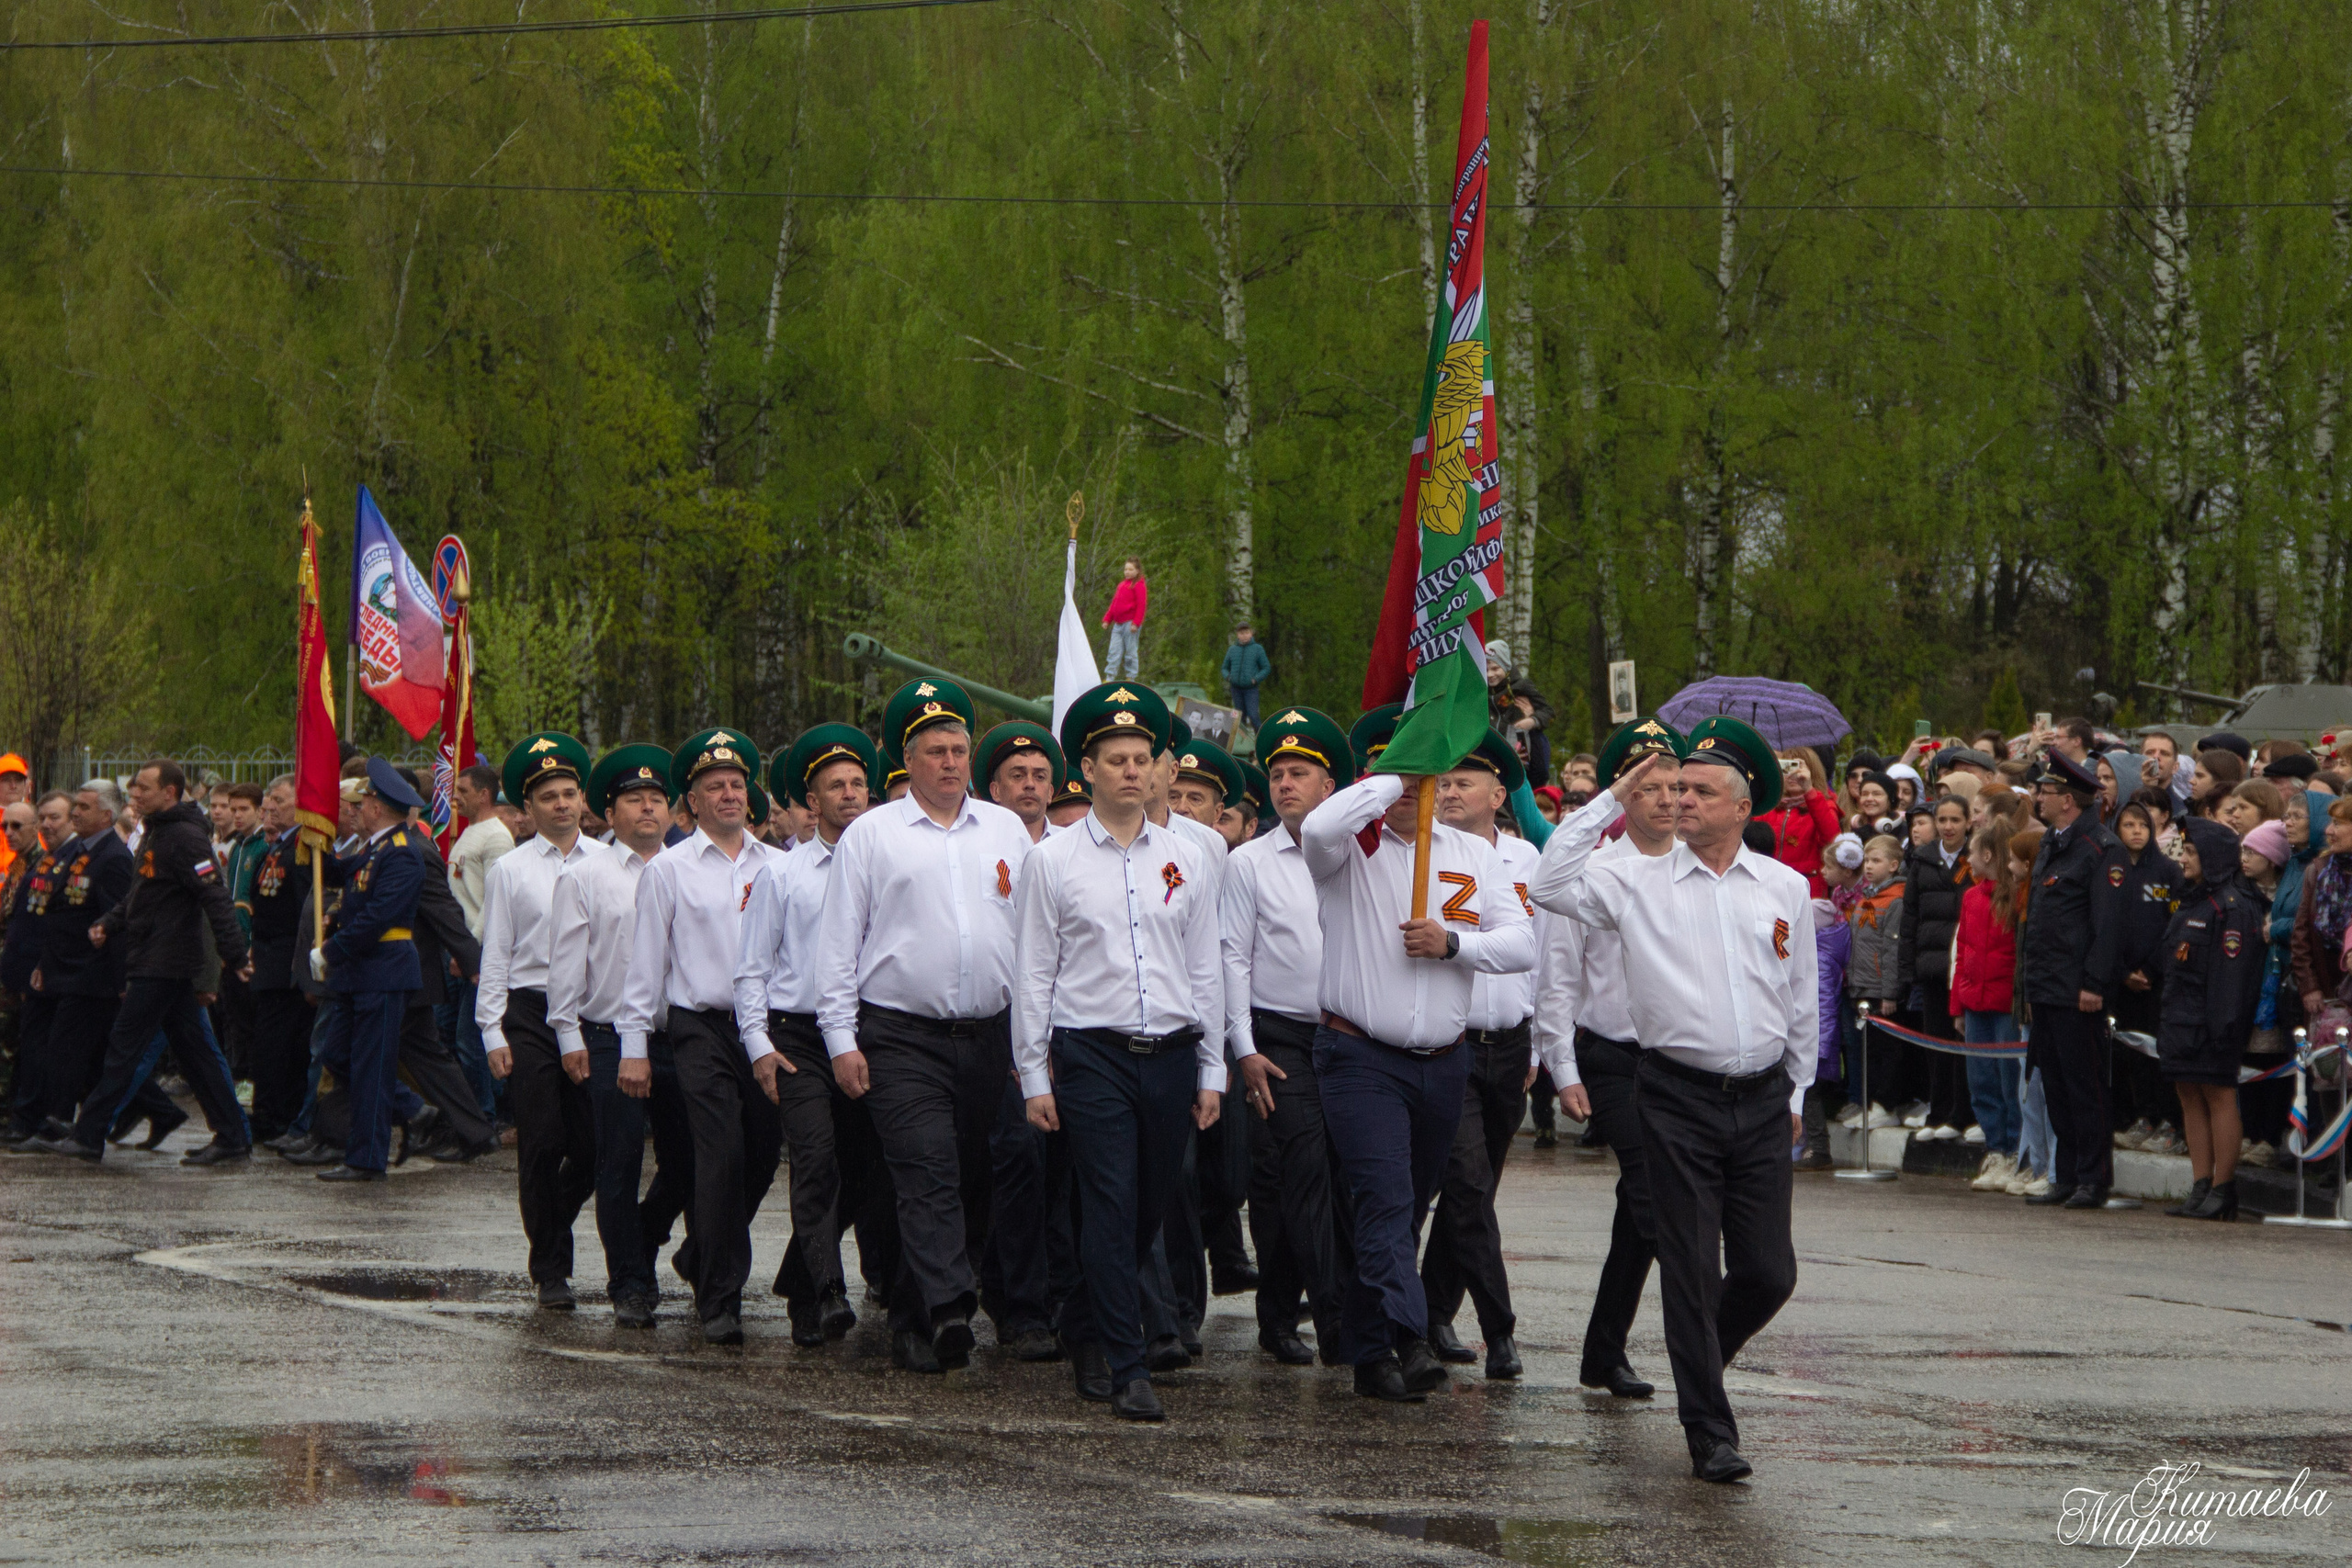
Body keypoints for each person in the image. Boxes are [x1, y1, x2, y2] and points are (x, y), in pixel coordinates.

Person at [1531, 717, 1815, 1484]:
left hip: (1759, 1098)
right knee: (1688, 1262)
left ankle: (1700, 1362)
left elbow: (1800, 994)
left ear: (1742, 802)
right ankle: (1710, 1432)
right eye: (1675, 787)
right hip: (1673, 1094)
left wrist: (1800, 1085)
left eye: (1699, 789)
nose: (1681, 800)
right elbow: (1548, 884)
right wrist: (1607, 800)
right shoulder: (1632, 880)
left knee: (1768, 1271)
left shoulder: (1784, 886)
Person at [1300, 728, 1535, 1404]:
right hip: (1359, 1056)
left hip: (1442, 1059)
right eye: (1392, 776)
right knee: (1384, 1197)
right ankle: (1411, 1336)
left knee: (1408, 1213)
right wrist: (1392, 775)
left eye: (1423, 775)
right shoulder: (1349, 850)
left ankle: (1371, 1353)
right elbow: (1318, 823)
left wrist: (1454, 943)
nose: (1409, 790)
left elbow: (1520, 941)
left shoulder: (1470, 852)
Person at [1015, 682, 1225, 1421]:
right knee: (1109, 1198)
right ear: (1090, 768)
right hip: (1091, 1051)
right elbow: (1034, 971)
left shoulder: (1194, 855)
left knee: (1149, 1203)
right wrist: (1034, 1075)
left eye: (1144, 758)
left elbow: (1207, 965)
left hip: (1170, 1050)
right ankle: (1124, 1358)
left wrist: (1213, 1067)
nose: (1133, 771)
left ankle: (1083, 1317)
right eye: (1117, 759)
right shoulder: (1054, 859)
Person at [815, 681, 1034, 1372]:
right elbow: (837, 946)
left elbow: (1032, 936)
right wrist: (841, 1039)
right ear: (908, 760)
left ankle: (918, 1320)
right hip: (901, 1034)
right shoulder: (872, 835)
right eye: (935, 751)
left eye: (959, 749)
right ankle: (950, 1303)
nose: (949, 762)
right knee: (926, 1167)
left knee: (974, 1175)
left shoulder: (1004, 829)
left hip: (988, 1031)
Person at [1532, 716, 1685, 1401]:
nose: (1663, 799)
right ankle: (1678, 1352)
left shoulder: (1696, 866)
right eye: (1645, 787)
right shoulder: (1596, 872)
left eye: (1673, 786)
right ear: (1623, 793)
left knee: (1638, 1208)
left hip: (1680, 1063)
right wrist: (1561, 1064)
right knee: (1653, 1198)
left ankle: (1603, 1350)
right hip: (1614, 1059)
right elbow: (1559, 974)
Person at [617, 728, 783, 1342]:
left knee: (765, 1151)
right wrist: (634, 1046)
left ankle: (701, 1252)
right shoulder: (670, 870)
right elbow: (646, 964)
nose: (730, 795)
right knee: (720, 1154)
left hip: (762, 1026)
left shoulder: (778, 866)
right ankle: (721, 1297)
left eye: (738, 785)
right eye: (715, 787)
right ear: (693, 801)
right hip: (700, 1025)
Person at [731, 726, 883, 1348]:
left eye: (857, 784)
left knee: (864, 1169)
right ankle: (824, 1293)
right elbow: (752, 967)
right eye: (835, 786)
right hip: (799, 1035)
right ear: (811, 801)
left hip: (870, 1031)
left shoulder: (888, 864)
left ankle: (798, 1275)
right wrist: (759, 1044)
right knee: (815, 1159)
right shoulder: (783, 874)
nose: (849, 794)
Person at [36, 761, 253, 1166]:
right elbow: (143, 895)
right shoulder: (157, 833)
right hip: (155, 958)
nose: (134, 795)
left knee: (124, 1047)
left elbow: (215, 896)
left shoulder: (186, 837)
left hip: (165, 962)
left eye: (144, 789)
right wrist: (109, 923)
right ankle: (234, 1136)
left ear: (170, 792)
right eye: (134, 788)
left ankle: (88, 1135)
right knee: (196, 1053)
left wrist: (235, 954)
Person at [1226, 706, 1354, 1368]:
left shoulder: (1360, 854)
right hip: (1279, 1039)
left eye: (1298, 772)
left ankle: (1279, 1311)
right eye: (1276, 772)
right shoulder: (1250, 863)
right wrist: (1244, 1048)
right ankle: (1337, 1322)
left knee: (1324, 1177)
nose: (1283, 783)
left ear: (1330, 786)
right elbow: (1234, 960)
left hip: (1350, 1039)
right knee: (1303, 1169)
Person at [1418, 730, 1543, 1382]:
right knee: (1466, 1183)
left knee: (1476, 1190)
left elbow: (1549, 954)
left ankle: (1435, 1308)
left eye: (1467, 782)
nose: (1453, 791)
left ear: (1499, 793)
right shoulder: (1425, 857)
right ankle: (1500, 1329)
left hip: (1511, 1041)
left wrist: (1544, 1044)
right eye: (1447, 781)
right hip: (1454, 1041)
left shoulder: (1526, 860)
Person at [545, 743, 680, 1327]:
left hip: (682, 1036)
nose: (647, 808)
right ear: (609, 812)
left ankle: (646, 1237)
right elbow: (566, 964)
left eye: (656, 798)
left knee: (689, 1160)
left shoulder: (689, 866)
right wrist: (568, 1035)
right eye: (634, 799)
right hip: (608, 1037)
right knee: (618, 1162)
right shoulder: (585, 874)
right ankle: (629, 1281)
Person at [476, 734, 607, 1308]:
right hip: (529, 1011)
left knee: (594, 1143)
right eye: (548, 796)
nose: (560, 804)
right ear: (527, 808)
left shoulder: (608, 862)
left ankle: (552, 1215)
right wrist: (490, 1030)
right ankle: (550, 1267)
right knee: (542, 1139)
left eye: (569, 793)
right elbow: (497, 953)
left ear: (583, 800)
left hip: (589, 1008)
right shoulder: (510, 869)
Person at [300, 759, 429, 1182]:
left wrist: (331, 952)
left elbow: (377, 918)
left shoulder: (403, 854)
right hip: (361, 973)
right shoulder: (373, 848)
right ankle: (413, 1110)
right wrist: (317, 840)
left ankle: (366, 1159)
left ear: (377, 808)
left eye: (366, 800)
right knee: (338, 1054)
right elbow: (342, 874)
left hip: (384, 971)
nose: (360, 806)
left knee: (371, 1066)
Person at [2018, 750, 2129, 1209]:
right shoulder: (2051, 842)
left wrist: (2094, 984)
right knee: (2055, 1084)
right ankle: (2065, 1175)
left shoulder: (2102, 848)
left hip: (2075, 989)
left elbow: (2108, 925)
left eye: (2044, 791)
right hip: (2046, 985)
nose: (2037, 798)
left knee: (2085, 1087)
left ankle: (2093, 1177)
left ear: (2067, 799)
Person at [2156, 818, 2266, 1222]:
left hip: (2212, 1023)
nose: (2183, 859)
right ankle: (2200, 1184)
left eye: (2191, 852)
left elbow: (2231, 977)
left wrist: (2223, 1029)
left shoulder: (2232, 905)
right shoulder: (2194, 900)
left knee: (2219, 1097)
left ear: (2213, 857)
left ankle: (2223, 1188)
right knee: (2189, 1098)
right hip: (2180, 1020)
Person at [1897, 795, 1973, 1141]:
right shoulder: (1922, 859)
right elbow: (1910, 916)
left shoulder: (1975, 858)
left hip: (1963, 967)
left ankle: (1964, 1114)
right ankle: (1938, 1111)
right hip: (1931, 967)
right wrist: (1906, 969)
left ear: (1968, 822)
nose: (1947, 826)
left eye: (1955, 819)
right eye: (1942, 819)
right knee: (1936, 1042)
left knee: (1962, 1042)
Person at [1954, 827, 2024, 1190]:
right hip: (1974, 1003)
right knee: (1980, 1078)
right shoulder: (1970, 898)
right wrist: (1958, 1005)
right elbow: (1962, 949)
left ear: (1986, 856)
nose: (1967, 858)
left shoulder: (2015, 898)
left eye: (1971, 851)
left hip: (2005, 1005)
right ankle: (1996, 1147)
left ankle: (2014, 1149)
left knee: (2009, 1079)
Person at [1844, 836, 1905, 1129]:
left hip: (1881, 988)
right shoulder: (1867, 898)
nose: (1868, 866)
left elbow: (1891, 949)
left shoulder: (1896, 900)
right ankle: (1871, 1103)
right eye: (1867, 860)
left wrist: (1890, 992)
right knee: (1866, 1049)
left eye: (1876, 861)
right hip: (1861, 985)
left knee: (1885, 1049)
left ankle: (1887, 1103)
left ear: (1894, 865)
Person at [1758, 750, 1840, 897]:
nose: (1793, 775)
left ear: (1812, 772)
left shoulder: (1823, 804)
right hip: (1769, 886)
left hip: (1805, 888)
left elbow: (1832, 839)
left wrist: (1809, 790)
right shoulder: (1770, 806)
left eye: (1798, 768)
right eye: (1787, 767)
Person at [977, 721, 1063, 844]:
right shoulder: (978, 843)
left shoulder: (1070, 847)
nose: (1030, 784)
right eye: (1018, 776)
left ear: (1050, 792)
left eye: (1039, 777)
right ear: (996, 790)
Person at [1482, 641, 1554, 784]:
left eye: (1496, 668)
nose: (1490, 674)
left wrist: (1532, 720)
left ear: (1506, 666)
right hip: (1492, 756)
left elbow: (1549, 712)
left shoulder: (1521, 687)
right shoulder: (1481, 692)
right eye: (1486, 669)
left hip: (1519, 744)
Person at [1102, 558, 1148, 680]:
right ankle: (1110, 676)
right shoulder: (1122, 585)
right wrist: (1107, 619)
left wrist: (1136, 623)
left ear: (1137, 571)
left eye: (1131, 569)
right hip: (1118, 624)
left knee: (1130, 652)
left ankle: (1130, 677)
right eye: (1126, 569)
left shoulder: (1139, 585)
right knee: (1113, 651)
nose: (1127, 572)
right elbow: (1114, 604)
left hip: (1130, 623)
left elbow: (1141, 605)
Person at [1221, 623, 1272, 728]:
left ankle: (1260, 739)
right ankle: (1240, 743)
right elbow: (1224, 668)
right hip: (1236, 689)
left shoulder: (1257, 649)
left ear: (1251, 634)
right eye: (1242, 633)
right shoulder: (1232, 649)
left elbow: (1266, 668)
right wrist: (1229, 677)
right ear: (1237, 635)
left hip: (1251, 689)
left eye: (1247, 633)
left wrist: (1255, 679)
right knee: (1239, 718)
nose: (1244, 635)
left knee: (1253, 716)